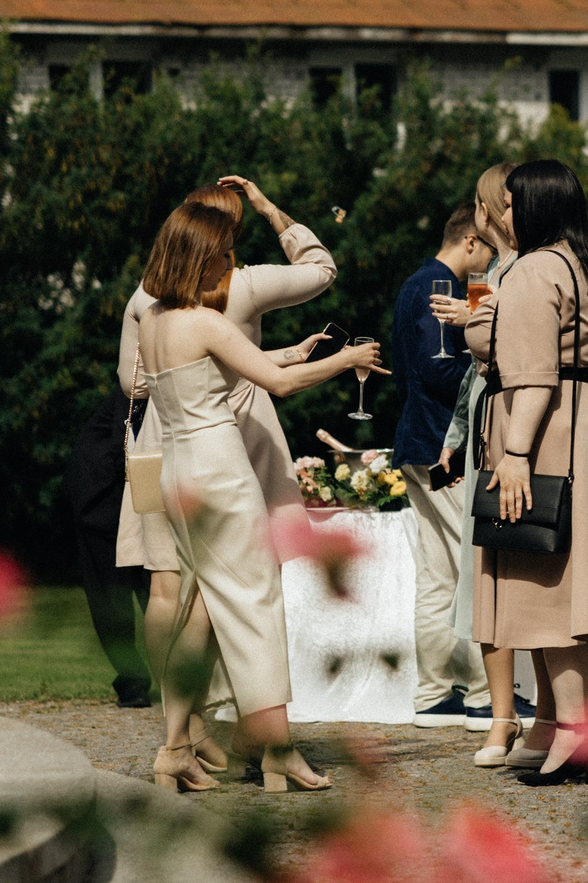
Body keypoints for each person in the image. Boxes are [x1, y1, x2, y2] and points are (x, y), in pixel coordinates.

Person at [133, 203, 385, 793]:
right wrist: (345, 360)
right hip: (220, 471)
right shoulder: (205, 321)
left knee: (199, 606)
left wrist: (292, 352)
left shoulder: (154, 320)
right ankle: (278, 752)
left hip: (177, 472)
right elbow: (279, 385)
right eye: (223, 254)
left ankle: (175, 748)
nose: (230, 264)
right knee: (256, 605)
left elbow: (211, 374)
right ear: (200, 258)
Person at [462, 159, 588, 776]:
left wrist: (515, 454)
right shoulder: (585, 261)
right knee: (583, 577)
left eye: (513, 202)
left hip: (549, 428)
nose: (505, 212)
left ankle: (573, 728)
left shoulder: (536, 267)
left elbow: (534, 375)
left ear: (538, 205)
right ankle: (564, 723)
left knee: (551, 583)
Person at [431, 163, 543, 763]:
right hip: (484, 425)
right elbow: (475, 375)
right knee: (487, 574)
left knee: (530, 566)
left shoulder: (532, 267)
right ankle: (502, 717)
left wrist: (480, 322)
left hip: (522, 423)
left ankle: (540, 714)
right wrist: (454, 436)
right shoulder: (491, 272)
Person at [389, 205, 494, 732]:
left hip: (417, 439)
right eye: (490, 248)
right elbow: (438, 369)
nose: (491, 261)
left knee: (438, 575)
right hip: (442, 446)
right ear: (470, 240)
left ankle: (433, 694)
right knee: (471, 566)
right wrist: (490, 370)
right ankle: (484, 695)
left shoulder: (414, 283)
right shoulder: (439, 285)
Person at [61, 391, 152, 708]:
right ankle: (133, 680)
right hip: (102, 502)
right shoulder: (135, 391)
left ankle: (154, 680)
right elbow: (121, 447)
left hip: (129, 497)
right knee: (113, 598)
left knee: (153, 591)